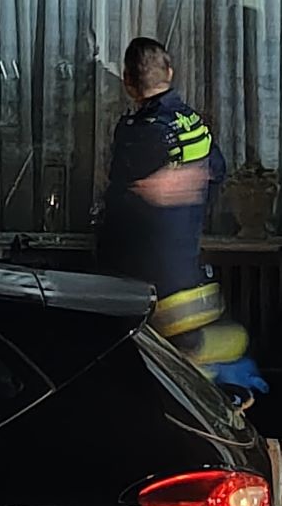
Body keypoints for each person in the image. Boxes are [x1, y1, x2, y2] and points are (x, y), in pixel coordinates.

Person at [95, 37, 267, 401]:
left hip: (146, 282)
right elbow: (216, 172)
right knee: (196, 352)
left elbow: (121, 197)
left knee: (151, 371)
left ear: (128, 82)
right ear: (170, 73)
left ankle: (218, 391)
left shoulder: (135, 131)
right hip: (189, 275)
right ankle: (225, 384)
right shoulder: (194, 124)